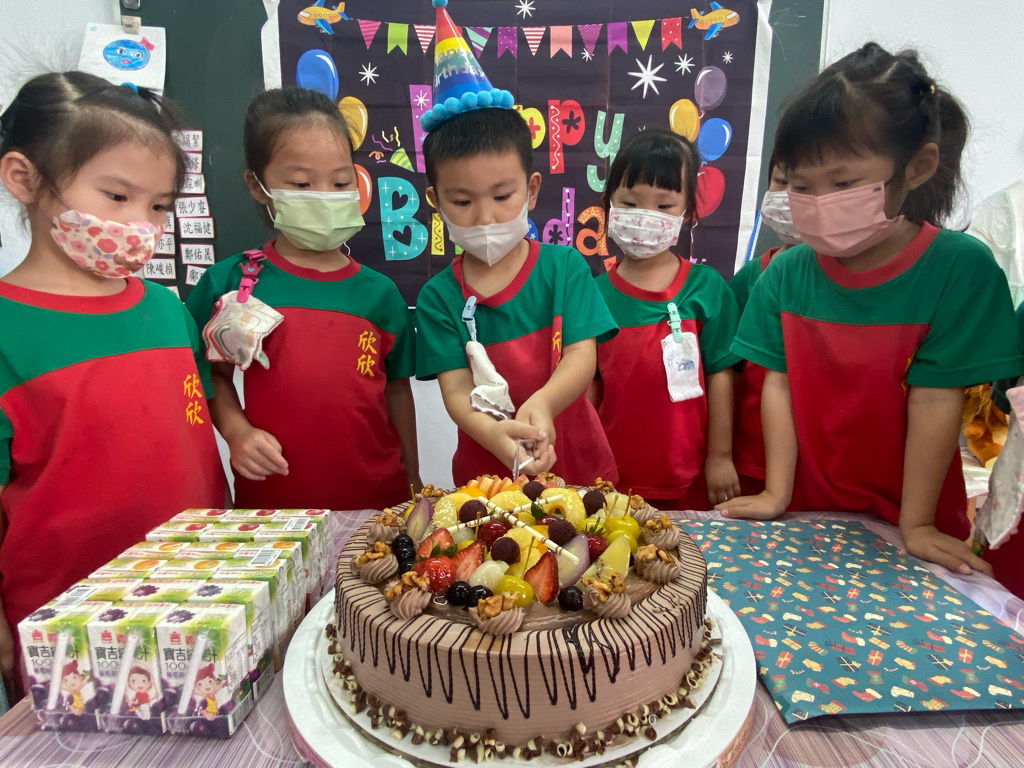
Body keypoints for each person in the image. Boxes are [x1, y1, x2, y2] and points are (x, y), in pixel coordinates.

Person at [720, 43, 1024, 581]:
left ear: (917, 167)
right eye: (799, 185)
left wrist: (917, 523)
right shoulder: (784, 274)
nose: (819, 203)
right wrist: (776, 493)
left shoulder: (957, 270)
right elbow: (778, 385)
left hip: (909, 524)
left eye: (843, 183)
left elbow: (936, 398)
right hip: (806, 518)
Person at [0, 72, 225, 691]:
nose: (141, 224)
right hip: (66, 625)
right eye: (117, 196)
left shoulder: (167, 311)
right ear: (24, 178)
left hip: (201, 596)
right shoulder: (8, 328)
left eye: (158, 206)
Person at [414, 0, 618, 484]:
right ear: (435, 201)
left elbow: (582, 356)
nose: (485, 217)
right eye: (462, 201)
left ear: (531, 190)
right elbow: (456, 393)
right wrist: (498, 438)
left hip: (579, 470)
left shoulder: (565, 269)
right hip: (488, 481)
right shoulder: (438, 298)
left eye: (503, 196)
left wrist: (543, 404)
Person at [187, 87, 419, 510]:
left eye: (340, 182)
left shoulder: (380, 293)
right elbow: (206, 373)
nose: (325, 195)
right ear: (257, 186)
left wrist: (413, 479)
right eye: (301, 183)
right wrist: (237, 433)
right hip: (274, 507)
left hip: (376, 503)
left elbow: (397, 390)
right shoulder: (232, 281)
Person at [591, 129, 740, 509]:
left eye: (664, 205)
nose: (646, 216)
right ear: (609, 205)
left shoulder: (707, 289)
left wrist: (721, 458)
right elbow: (589, 390)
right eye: (630, 202)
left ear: (687, 212)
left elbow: (722, 377)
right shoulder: (592, 296)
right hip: (613, 482)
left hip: (693, 480)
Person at [729, 157, 801, 497]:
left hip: (821, 462)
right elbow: (730, 371)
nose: (789, 196)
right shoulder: (750, 278)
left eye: (803, 187)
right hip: (752, 457)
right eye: (781, 182)